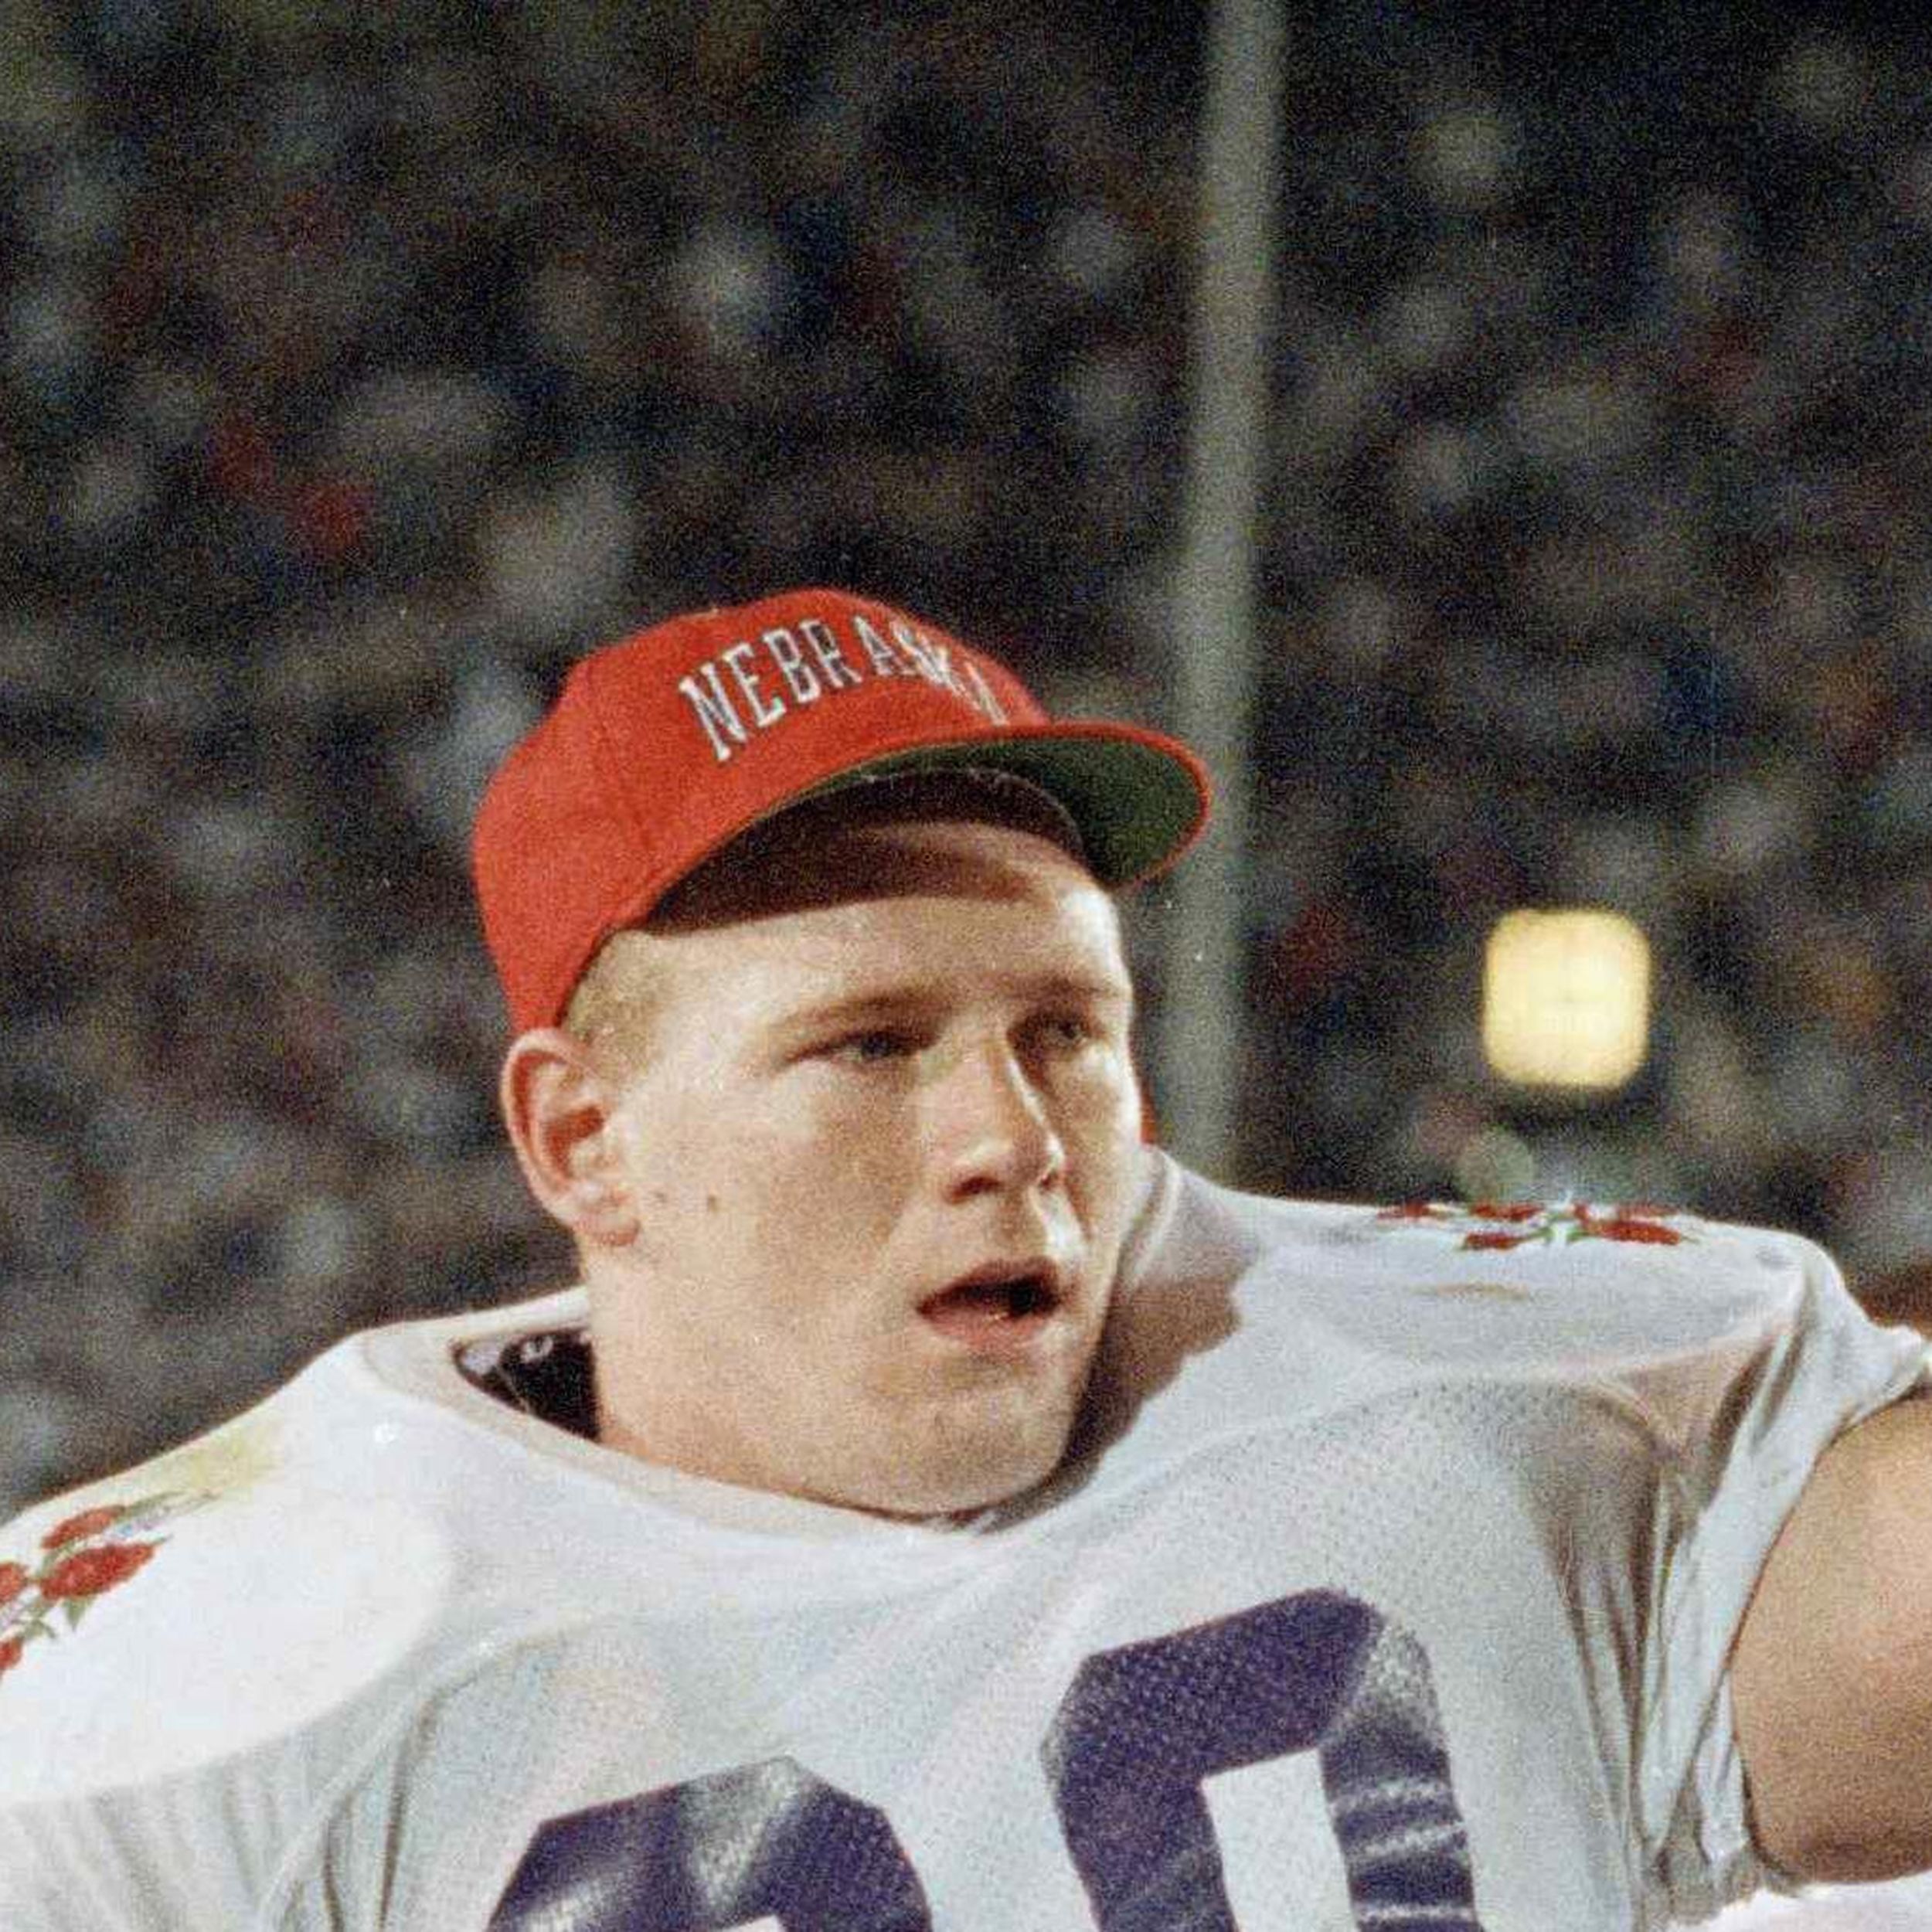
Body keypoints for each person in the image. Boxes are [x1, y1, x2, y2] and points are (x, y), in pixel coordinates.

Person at [2, 586, 1931, 1930]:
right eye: (871, 1044)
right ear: (582, 1135)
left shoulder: (1501, 1413)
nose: (1010, 1134)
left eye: (1063, 1031)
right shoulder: (186, 1696)